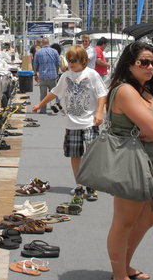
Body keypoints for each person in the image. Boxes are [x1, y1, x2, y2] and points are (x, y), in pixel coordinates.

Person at [105, 41, 153, 280]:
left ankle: (125, 264)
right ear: (129, 65)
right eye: (143, 62)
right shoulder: (125, 91)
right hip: (131, 165)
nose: (150, 67)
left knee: (148, 218)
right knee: (124, 222)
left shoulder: (147, 92)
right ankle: (119, 277)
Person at [32, 45, 107, 201]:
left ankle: (91, 185)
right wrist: (40, 104)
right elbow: (54, 92)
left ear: (84, 60)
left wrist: (99, 113)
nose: (71, 63)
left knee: (90, 156)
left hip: (89, 123)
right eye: (69, 60)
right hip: (72, 124)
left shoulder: (91, 74)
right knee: (75, 156)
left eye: (74, 60)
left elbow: (102, 94)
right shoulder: (65, 76)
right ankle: (79, 185)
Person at [32, 38, 60, 114]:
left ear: (42, 44)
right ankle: (55, 105)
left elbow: (35, 65)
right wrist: (56, 73)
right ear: (48, 43)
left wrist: (35, 74)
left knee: (43, 94)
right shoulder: (54, 51)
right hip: (53, 76)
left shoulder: (38, 52)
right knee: (54, 93)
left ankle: (43, 110)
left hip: (43, 76)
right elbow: (58, 64)